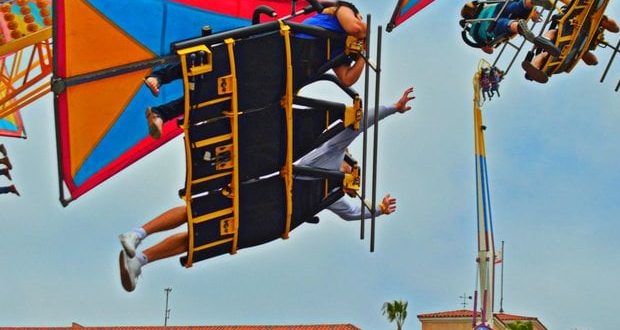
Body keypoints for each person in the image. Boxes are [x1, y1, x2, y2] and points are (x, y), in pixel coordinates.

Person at [119, 87, 414, 292]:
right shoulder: (332, 153)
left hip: (263, 206)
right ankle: (137, 234)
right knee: (196, 211)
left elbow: (351, 214)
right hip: (261, 184)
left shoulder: (329, 193)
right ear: (347, 161)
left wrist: (378, 210)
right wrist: (392, 108)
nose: (353, 177)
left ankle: (142, 260)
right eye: (354, 169)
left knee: (202, 233)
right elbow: (361, 123)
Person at [144, 0, 369, 140]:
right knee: (219, 61)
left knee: (217, 94)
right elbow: (356, 26)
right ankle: (160, 76)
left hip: (281, 70)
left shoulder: (340, 49)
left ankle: (161, 113)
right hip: (279, 46)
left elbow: (347, 79)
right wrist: (365, 32)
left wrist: (362, 55)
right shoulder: (343, 12)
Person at [519, 15, 620, 83]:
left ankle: (534, 67)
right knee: (552, 36)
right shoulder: (581, 18)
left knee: (546, 54)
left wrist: (602, 20)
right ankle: (544, 42)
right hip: (562, 38)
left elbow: (592, 61)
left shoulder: (589, 39)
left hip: (564, 48)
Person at [461, 0, 560, 57]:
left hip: (491, 25)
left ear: (468, 20)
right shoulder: (485, 6)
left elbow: (489, 50)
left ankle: (518, 26)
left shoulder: (474, 31)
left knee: (505, 24)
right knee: (516, 6)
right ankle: (531, 1)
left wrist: (487, 46)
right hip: (499, 7)